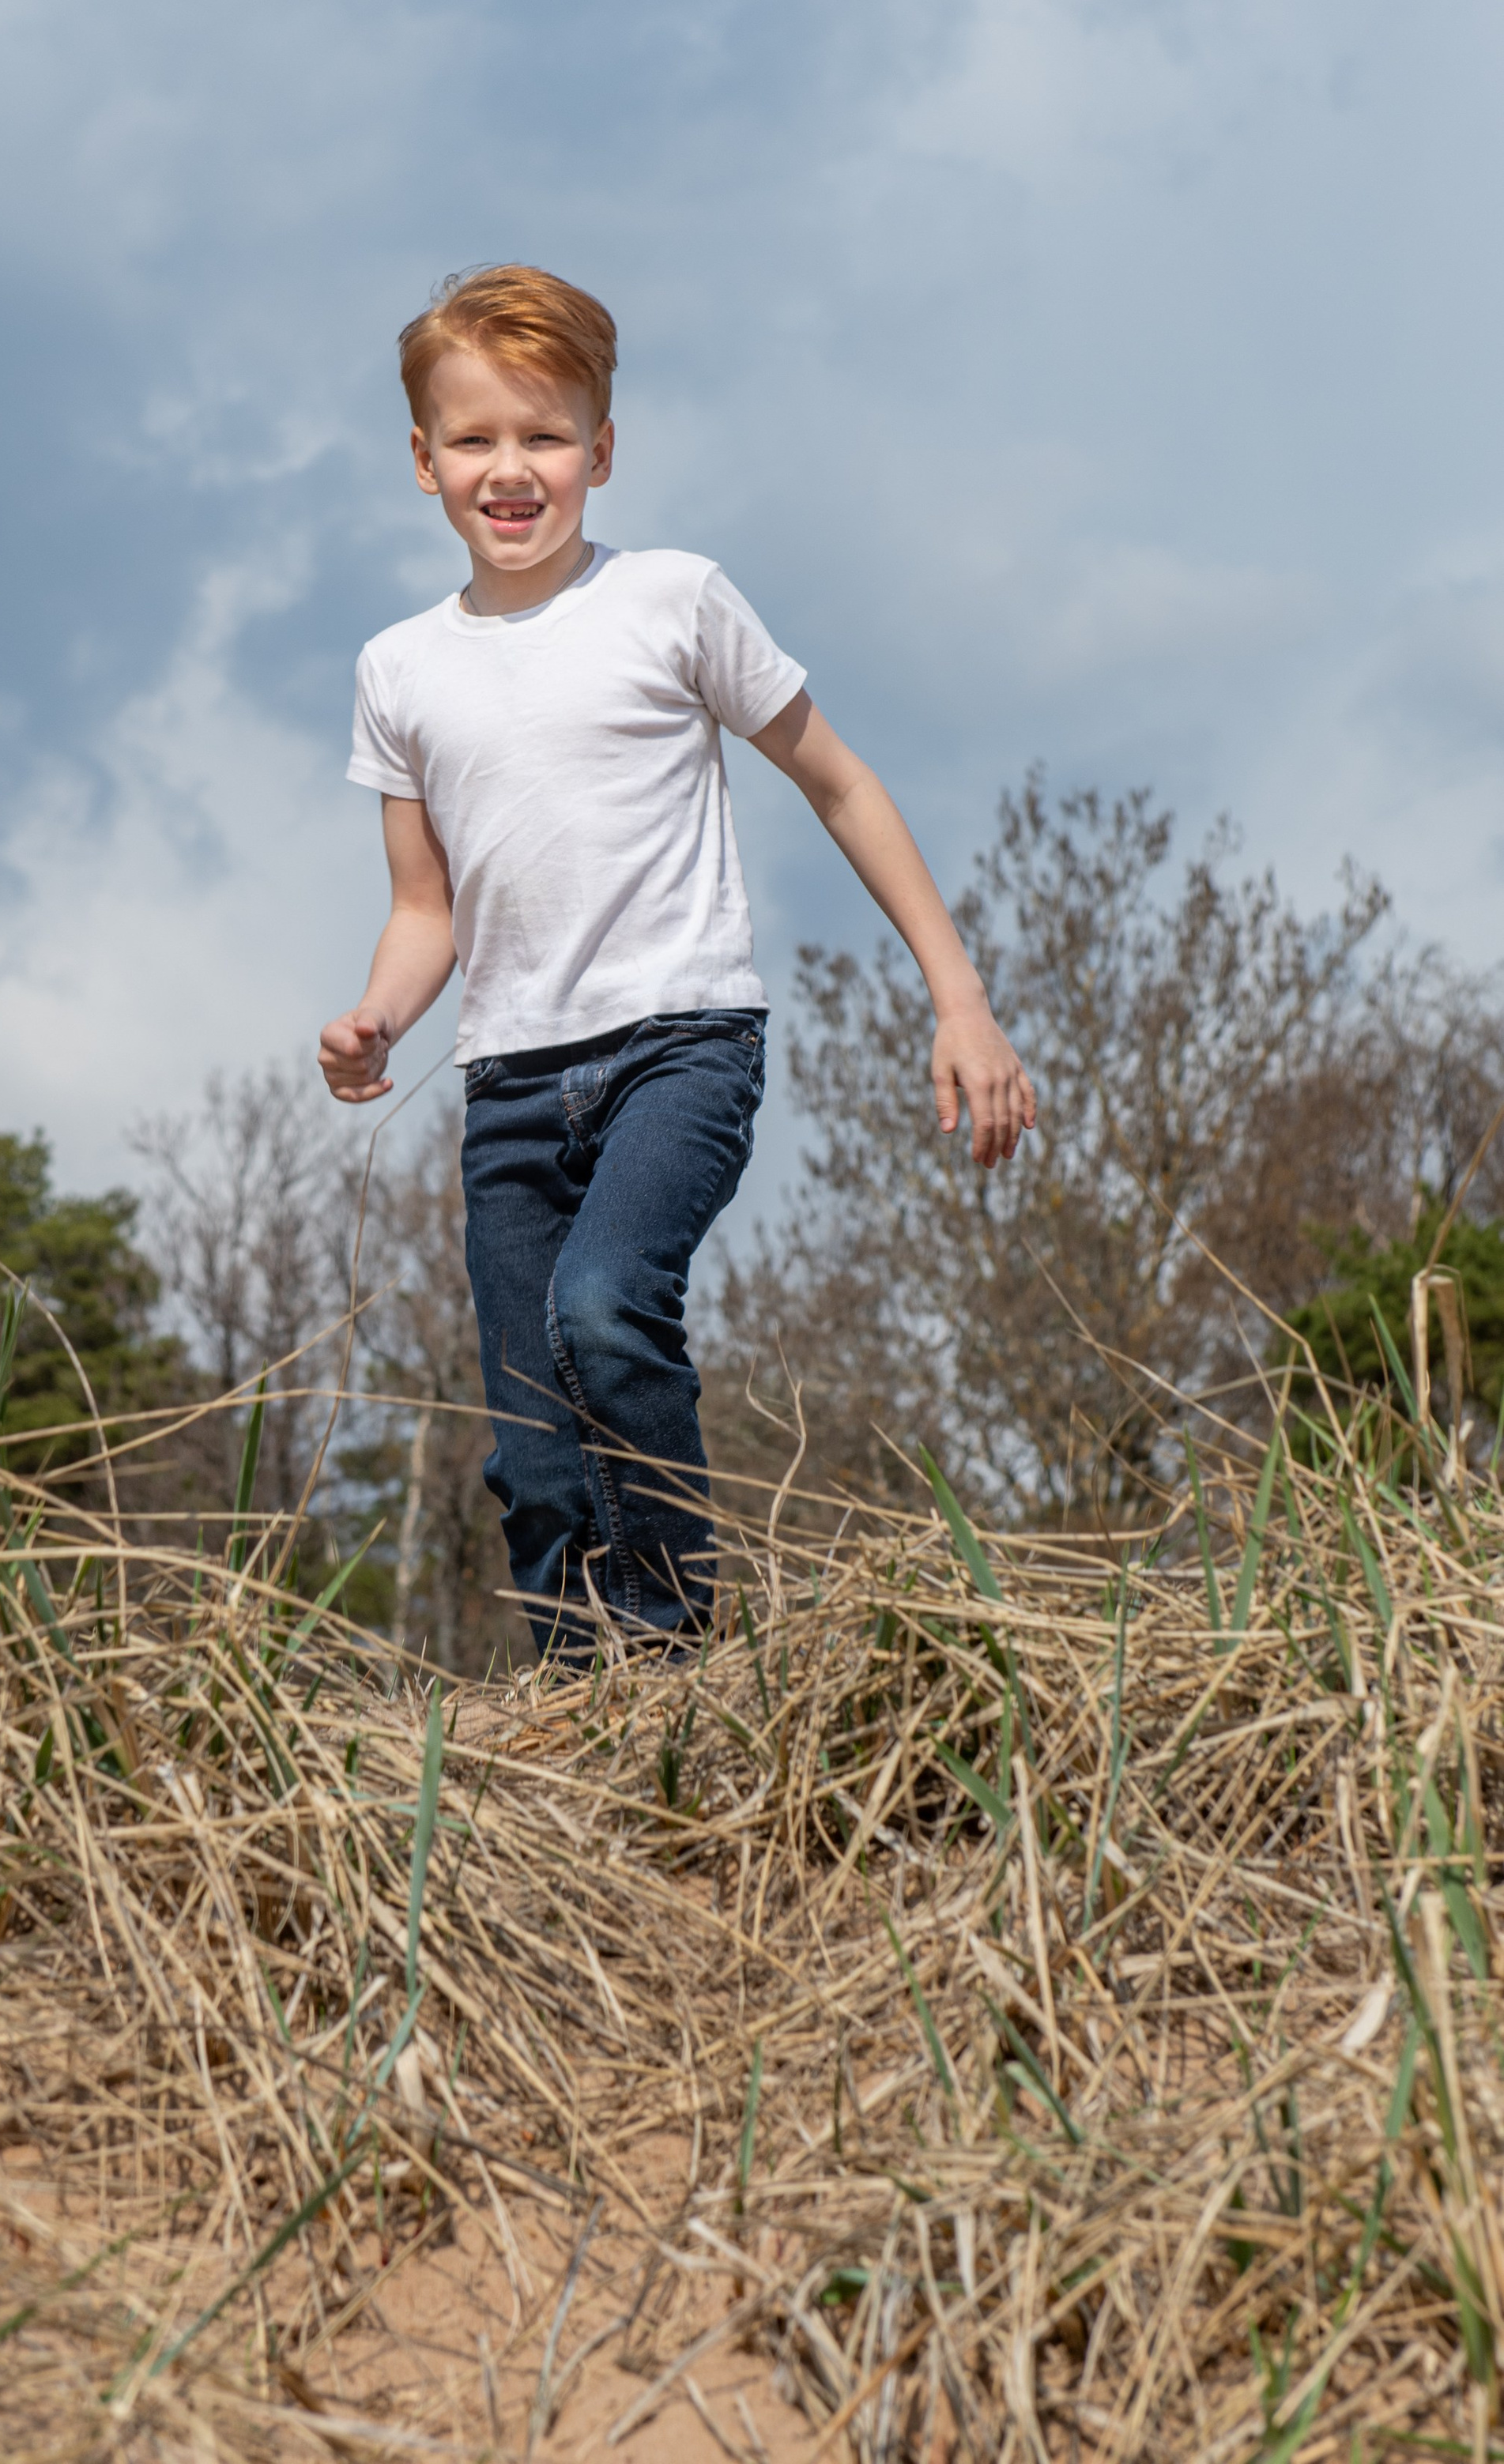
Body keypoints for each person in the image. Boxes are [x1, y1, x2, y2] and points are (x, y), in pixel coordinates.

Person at [318, 266, 1034, 1660]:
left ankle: (683, 1653)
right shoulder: (398, 669)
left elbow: (840, 785)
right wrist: (378, 1018)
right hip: (509, 1084)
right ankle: (594, 1720)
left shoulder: (672, 600)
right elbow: (426, 908)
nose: (510, 470)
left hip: (679, 1049)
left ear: (601, 448)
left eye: (544, 436)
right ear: (421, 461)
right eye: (473, 440)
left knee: (602, 1311)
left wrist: (962, 999)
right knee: (529, 1457)